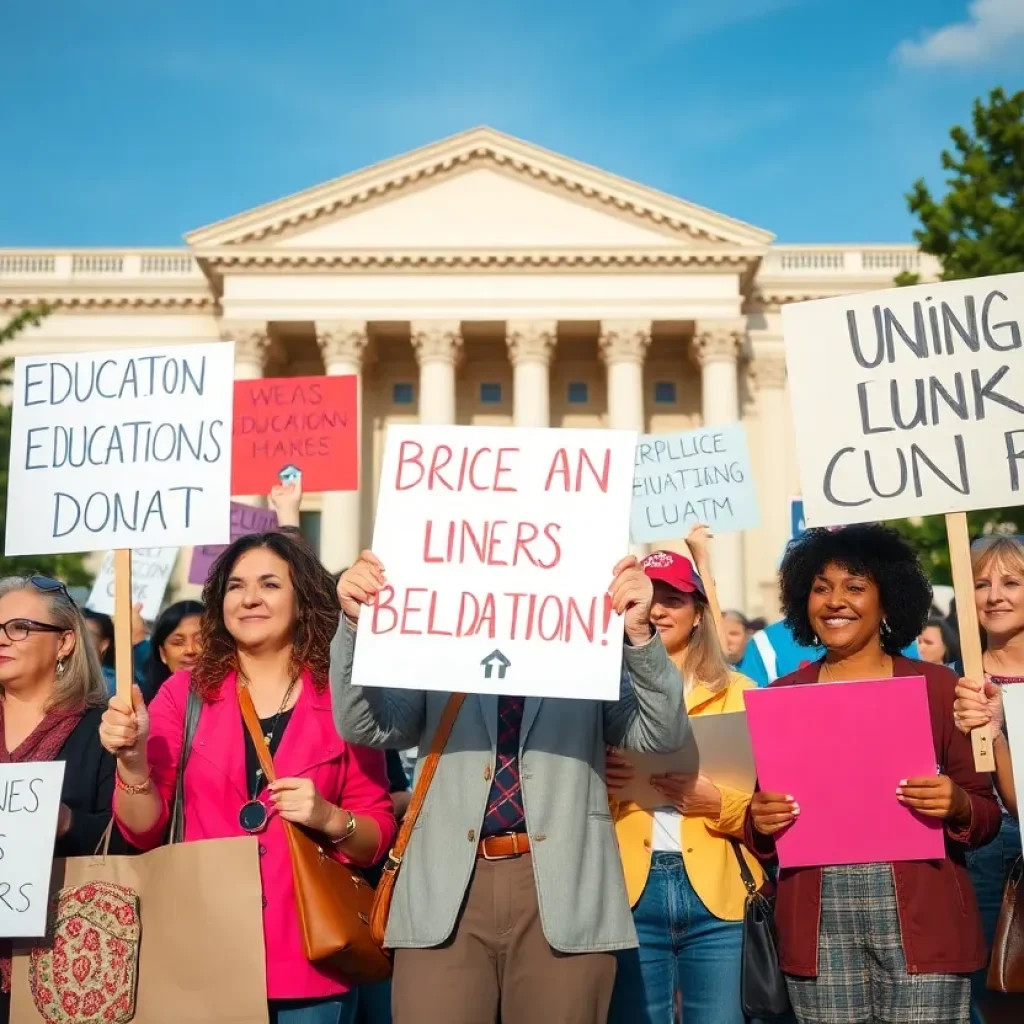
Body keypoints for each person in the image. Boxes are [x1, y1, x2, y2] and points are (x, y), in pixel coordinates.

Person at [332, 550, 691, 1024]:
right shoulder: (436, 630)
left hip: (563, 887)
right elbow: (365, 725)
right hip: (444, 885)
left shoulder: (587, 632)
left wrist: (640, 636)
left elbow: (660, 734)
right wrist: (357, 627)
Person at [100, 531, 397, 1024]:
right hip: (202, 954)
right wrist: (131, 763)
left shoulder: (345, 696)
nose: (250, 598)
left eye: (269, 584)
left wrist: (328, 817)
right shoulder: (182, 693)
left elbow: (376, 834)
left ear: (303, 601)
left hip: (312, 960)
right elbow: (142, 828)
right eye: (236, 586)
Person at [747, 525, 1000, 1024]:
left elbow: (986, 813)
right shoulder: (782, 696)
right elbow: (762, 823)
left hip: (923, 923)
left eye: (854, 587)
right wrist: (761, 819)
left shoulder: (937, 686)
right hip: (818, 929)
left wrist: (958, 804)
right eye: (821, 587)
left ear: (888, 601)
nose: (835, 601)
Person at [605, 543, 761, 1024]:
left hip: (718, 890)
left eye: (673, 599)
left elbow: (770, 808)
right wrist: (600, 779)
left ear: (698, 614)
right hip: (627, 889)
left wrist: (718, 803)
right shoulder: (601, 690)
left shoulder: (742, 692)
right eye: (647, 598)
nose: (657, 609)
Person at [0, 576, 114, 1024]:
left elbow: (133, 840)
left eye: (19, 627)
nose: (2, 639)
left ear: (65, 642)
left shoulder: (106, 730)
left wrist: (65, 823)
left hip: (65, 963)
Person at [953, 536, 1024, 1024]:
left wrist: (1000, 728)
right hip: (978, 851)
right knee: (982, 988)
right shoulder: (951, 680)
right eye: (980, 583)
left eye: (1011, 582)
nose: (995, 595)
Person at [141, 600, 203, 703]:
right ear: (163, 653)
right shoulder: (142, 708)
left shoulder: (235, 698)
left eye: (201, 640)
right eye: (178, 642)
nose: (190, 650)